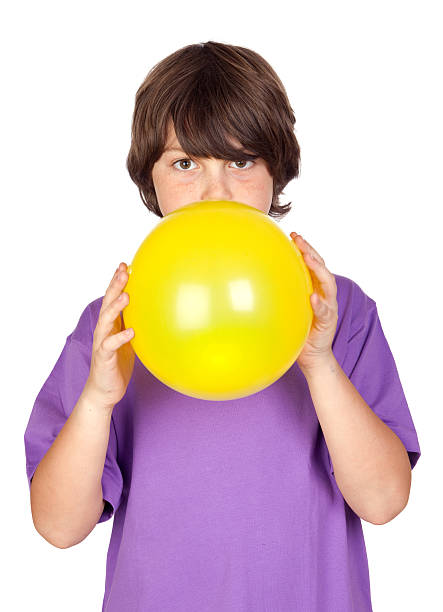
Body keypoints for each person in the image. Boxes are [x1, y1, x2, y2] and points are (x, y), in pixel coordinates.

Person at [24, 41, 421, 611]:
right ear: (151, 178)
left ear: (275, 170)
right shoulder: (111, 326)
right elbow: (59, 528)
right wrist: (97, 399)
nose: (216, 191)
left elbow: (383, 502)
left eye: (241, 161)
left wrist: (319, 362)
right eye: (185, 164)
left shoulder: (338, 311)